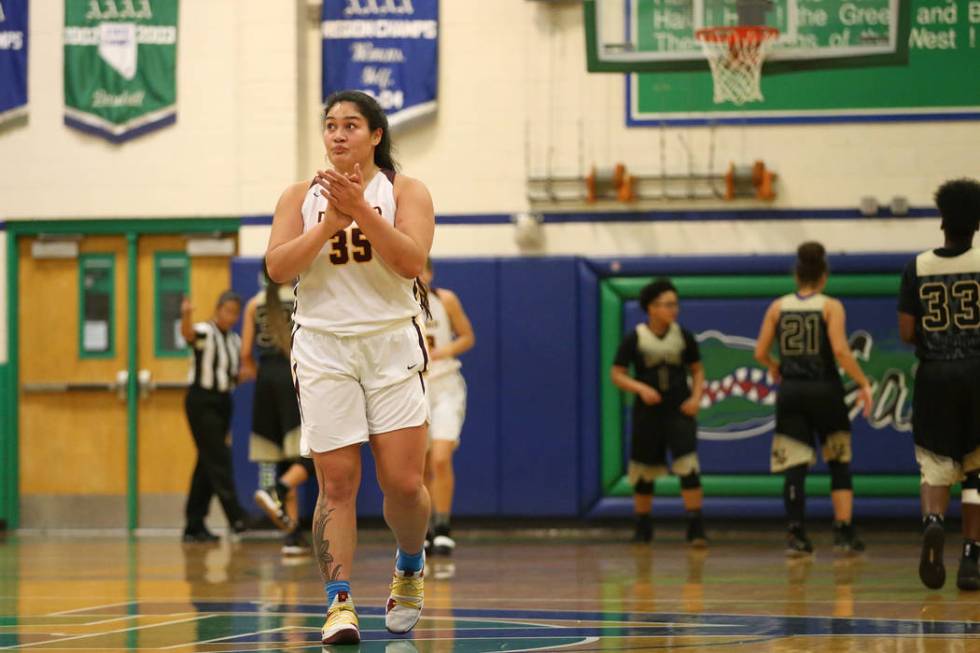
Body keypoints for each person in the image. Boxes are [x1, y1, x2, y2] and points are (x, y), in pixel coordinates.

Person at [265, 90, 435, 646]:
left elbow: (411, 261)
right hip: (322, 347)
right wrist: (327, 225)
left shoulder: (406, 191)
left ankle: (409, 565)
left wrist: (360, 210)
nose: (338, 134)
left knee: (403, 484)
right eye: (330, 125)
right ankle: (338, 603)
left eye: (351, 125)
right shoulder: (298, 196)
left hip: (389, 343)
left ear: (376, 135)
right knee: (336, 482)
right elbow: (276, 267)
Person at [754, 242, 873, 556]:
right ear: (824, 275)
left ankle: (796, 534)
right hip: (825, 390)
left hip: (792, 391)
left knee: (794, 465)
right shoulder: (831, 306)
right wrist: (863, 382)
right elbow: (840, 350)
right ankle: (844, 533)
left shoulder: (777, 307)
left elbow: (759, 352)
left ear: (797, 274)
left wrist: (775, 367)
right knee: (838, 461)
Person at [897, 178, 980, 591]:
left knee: (934, 463)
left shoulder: (917, 266)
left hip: (935, 375)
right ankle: (971, 556)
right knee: (976, 470)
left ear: (942, 220)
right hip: (977, 371)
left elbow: (906, 331)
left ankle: (932, 521)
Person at [611, 278, 708, 546]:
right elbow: (616, 374)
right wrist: (640, 388)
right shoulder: (636, 337)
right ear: (651, 308)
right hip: (648, 411)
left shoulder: (683, 335)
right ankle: (643, 526)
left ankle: (695, 526)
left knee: (688, 466)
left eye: (675, 304)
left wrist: (696, 397)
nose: (673, 309)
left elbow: (698, 370)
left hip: (678, 408)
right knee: (643, 470)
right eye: (667, 305)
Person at [240, 264, 315, 556]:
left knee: (284, 457)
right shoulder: (301, 296)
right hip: (294, 375)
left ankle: (292, 534)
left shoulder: (252, 304)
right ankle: (279, 490)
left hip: (265, 380)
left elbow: (245, 355)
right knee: (311, 451)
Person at [180, 290, 248, 543]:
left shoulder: (234, 340)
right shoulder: (204, 332)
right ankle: (236, 518)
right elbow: (188, 335)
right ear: (218, 309)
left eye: (235, 312)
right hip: (201, 401)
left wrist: (242, 376)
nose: (231, 316)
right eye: (227, 310)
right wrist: (185, 316)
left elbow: (230, 375)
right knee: (219, 458)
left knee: (206, 464)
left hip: (222, 402)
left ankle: (194, 524)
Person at [420, 258, 475, 556]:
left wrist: (443, 351)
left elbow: (468, 336)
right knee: (421, 465)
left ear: (430, 272)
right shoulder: (394, 302)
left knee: (441, 458)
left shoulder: (445, 299)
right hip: (414, 387)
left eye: (422, 269)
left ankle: (443, 526)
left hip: (445, 385)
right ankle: (424, 530)